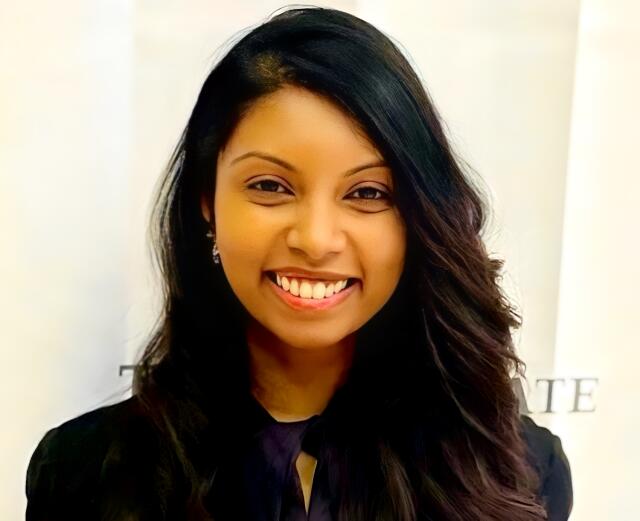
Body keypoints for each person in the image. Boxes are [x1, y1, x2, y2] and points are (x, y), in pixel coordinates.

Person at [24, 6, 572, 521]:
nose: (315, 239)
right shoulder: (80, 473)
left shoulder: (519, 470)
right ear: (207, 203)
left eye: (368, 193)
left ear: (418, 217)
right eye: (270, 186)